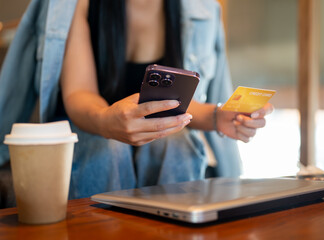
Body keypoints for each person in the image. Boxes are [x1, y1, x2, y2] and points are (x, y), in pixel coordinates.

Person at [0, 0, 273, 199]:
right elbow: (77, 93)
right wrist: (107, 122)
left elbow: (178, 106)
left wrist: (217, 117)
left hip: (164, 138)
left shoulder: (201, 8)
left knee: (178, 144)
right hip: (89, 127)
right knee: (108, 149)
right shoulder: (72, 5)